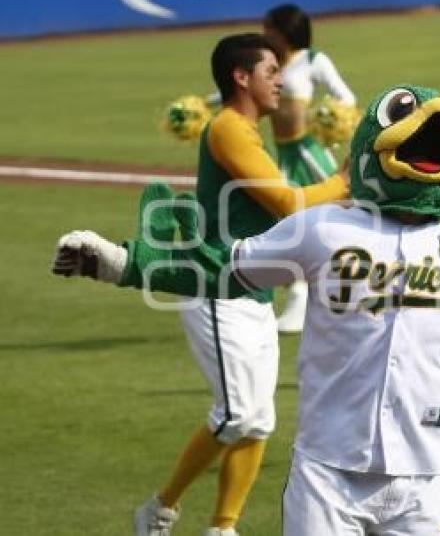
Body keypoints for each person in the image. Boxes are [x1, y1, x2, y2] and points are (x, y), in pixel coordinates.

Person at [52, 85, 440, 535]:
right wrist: (119, 261)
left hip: (427, 479)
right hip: (327, 473)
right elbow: (219, 266)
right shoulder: (320, 228)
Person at [128, 33, 348, 536]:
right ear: (241, 77)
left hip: (252, 293)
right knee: (236, 414)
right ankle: (159, 510)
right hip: (215, 290)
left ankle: (223, 527)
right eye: (272, 71)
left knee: (260, 420)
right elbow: (289, 205)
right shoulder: (228, 128)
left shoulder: (247, 131)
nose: (281, 81)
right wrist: (344, 183)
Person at [262, 3, 358, 333]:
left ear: (283, 30)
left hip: (308, 151)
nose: (263, 32)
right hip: (283, 153)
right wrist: (205, 104)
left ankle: (344, 284)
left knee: (343, 209)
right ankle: (301, 300)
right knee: (289, 219)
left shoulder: (313, 60)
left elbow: (346, 97)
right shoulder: (269, 61)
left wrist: (326, 118)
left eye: (268, 27)